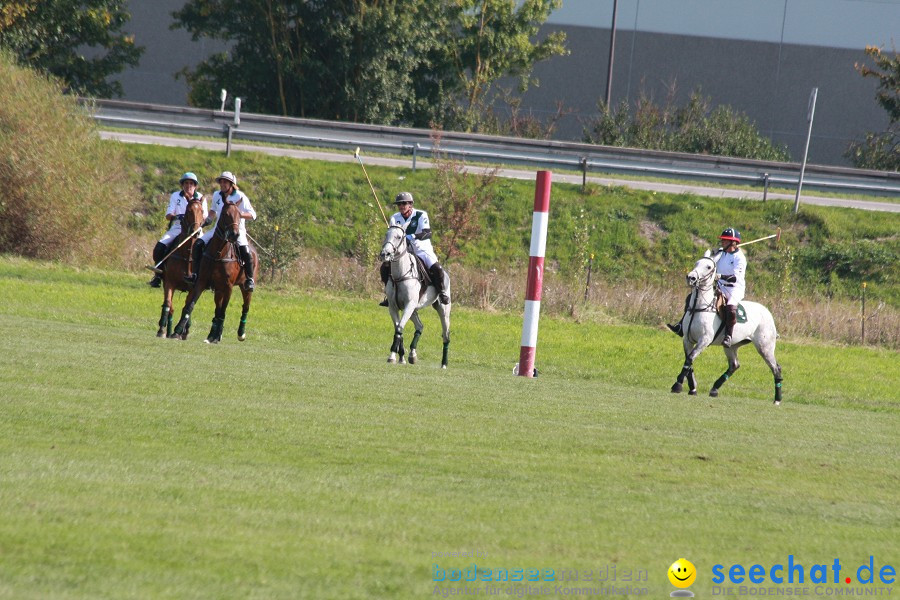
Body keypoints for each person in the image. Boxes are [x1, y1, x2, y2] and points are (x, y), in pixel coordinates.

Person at [667, 228, 746, 347]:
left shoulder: (739, 258)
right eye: (723, 240)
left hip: (734, 288)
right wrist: (714, 254)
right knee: (692, 298)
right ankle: (681, 325)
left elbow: (736, 278)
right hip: (719, 286)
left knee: (730, 307)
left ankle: (728, 336)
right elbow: (710, 265)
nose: (722, 242)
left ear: (733, 243)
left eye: (725, 240)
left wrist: (720, 276)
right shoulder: (722, 253)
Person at [185, 171, 257, 290]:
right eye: (221, 182)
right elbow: (213, 211)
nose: (222, 184)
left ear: (231, 184)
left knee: (245, 251)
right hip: (218, 229)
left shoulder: (240, 196)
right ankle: (195, 274)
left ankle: (249, 279)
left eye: (225, 182)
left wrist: (239, 214)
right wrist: (208, 219)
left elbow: (253, 215)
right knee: (198, 244)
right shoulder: (216, 195)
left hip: (236, 229)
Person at [379, 192, 449, 306]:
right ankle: (389, 294)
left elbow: (427, 233)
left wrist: (413, 236)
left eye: (404, 203)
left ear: (410, 204)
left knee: (438, 268)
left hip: (421, 249)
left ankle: (442, 293)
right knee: (384, 267)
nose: (401, 206)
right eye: (399, 204)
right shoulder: (394, 217)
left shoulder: (421, 215)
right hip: (403, 251)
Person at [148, 172, 209, 287]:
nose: (188, 186)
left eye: (191, 183)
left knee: (207, 249)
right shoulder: (176, 196)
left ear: (195, 186)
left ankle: (206, 277)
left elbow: (205, 216)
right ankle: (158, 275)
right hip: (178, 227)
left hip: (196, 229)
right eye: (186, 183)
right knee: (160, 246)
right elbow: (168, 215)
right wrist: (177, 216)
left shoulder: (201, 198)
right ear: (182, 185)